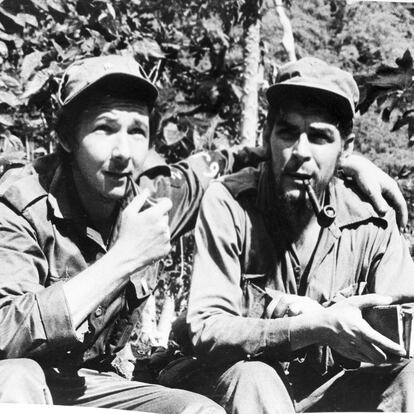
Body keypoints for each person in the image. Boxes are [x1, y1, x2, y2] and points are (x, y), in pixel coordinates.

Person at [0, 54, 407, 410]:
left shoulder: (158, 197)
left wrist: (347, 164)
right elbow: (4, 334)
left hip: (99, 384)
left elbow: (244, 157)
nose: (123, 152)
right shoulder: (20, 205)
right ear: (66, 138)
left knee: (200, 413)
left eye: (137, 131)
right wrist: (124, 257)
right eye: (104, 129)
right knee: (12, 379)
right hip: (25, 376)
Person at [160, 57, 414, 413]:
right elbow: (207, 329)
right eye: (288, 133)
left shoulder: (372, 219)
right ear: (267, 137)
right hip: (232, 385)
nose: (300, 152)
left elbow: (404, 324)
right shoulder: (230, 203)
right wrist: (313, 325)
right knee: (256, 378)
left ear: (346, 149)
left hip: (326, 393)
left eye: (320, 137)